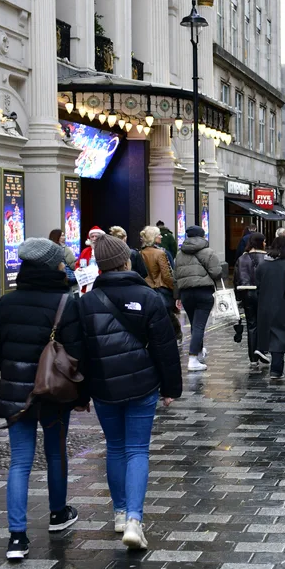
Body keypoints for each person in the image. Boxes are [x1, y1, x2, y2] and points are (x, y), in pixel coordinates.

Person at [0, 237, 84, 561]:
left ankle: (17, 538)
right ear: (53, 266)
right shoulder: (66, 302)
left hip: (17, 395)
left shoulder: (7, 302)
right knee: (55, 452)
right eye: (60, 262)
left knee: (20, 461)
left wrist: (11, 369)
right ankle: (58, 513)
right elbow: (78, 352)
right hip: (54, 392)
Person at [78, 233, 182, 551]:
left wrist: (81, 394)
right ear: (126, 261)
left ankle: (120, 514)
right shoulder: (148, 297)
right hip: (142, 383)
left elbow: (78, 351)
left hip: (103, 385)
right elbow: (165, 347)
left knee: (115, 447)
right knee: (137, 450)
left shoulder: (86, 302)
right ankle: (135, 520)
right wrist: (170, 388)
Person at [173, 226, 223, 372]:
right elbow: (216, 272)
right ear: (202, 236)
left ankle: (199, 351)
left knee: (195, 324)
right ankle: (193, 358)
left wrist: (177, 296)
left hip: (186, 293)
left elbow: (175, 277)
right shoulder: (208, 252)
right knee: (199, 326)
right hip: (204, 292)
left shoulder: (179, 254)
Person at [254, 236, 285, 379]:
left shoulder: (262, 265)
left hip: (264, 305)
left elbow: (257, 285)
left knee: (268, 334)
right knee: (280, 335)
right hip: (283, 304)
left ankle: (265, 355)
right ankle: (276, 369)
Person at [139, 226, 180, 341]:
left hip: (146, 290)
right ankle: (174, 337)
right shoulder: (160, 253)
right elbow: (167, 275)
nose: (161, 236)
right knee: (168, 316)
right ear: (153, 237)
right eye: (158, 235)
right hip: (161, 289)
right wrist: (174, 289)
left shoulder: (140, 253)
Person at [235, 232, 270, 368]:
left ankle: (253, 358)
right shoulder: (267, 258)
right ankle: (262, 350)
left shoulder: (242, 258)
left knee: (251, 325)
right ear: (260, 242)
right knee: (264, 323)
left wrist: (238, 298)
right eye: (264, 241)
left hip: (246, 293)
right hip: (263, 293)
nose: (265, 244)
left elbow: (236, 278)